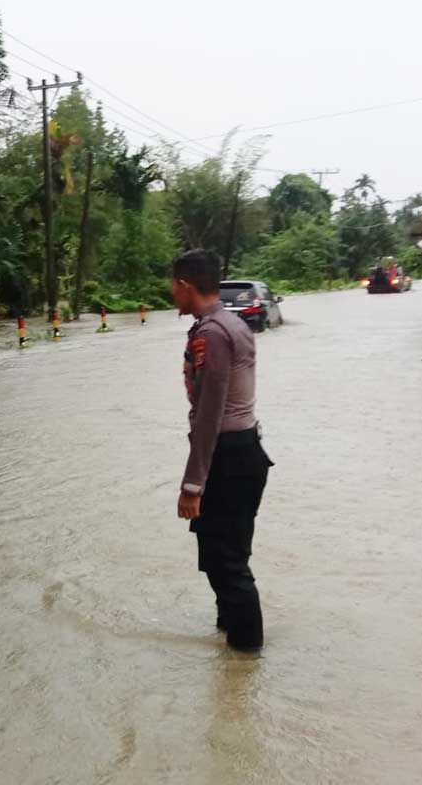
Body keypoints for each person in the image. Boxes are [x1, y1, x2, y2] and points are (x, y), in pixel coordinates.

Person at [171, 250, 274, 651]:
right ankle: (231, 649)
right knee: (225, 555)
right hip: (244, 452)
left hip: (226, 457)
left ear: (185, 285)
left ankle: (246, 657)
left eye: (172, 286)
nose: (170, 293)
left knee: (227, 563)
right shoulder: (232, 323)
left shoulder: (212, 334)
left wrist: (192, 484)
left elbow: (210, 412)